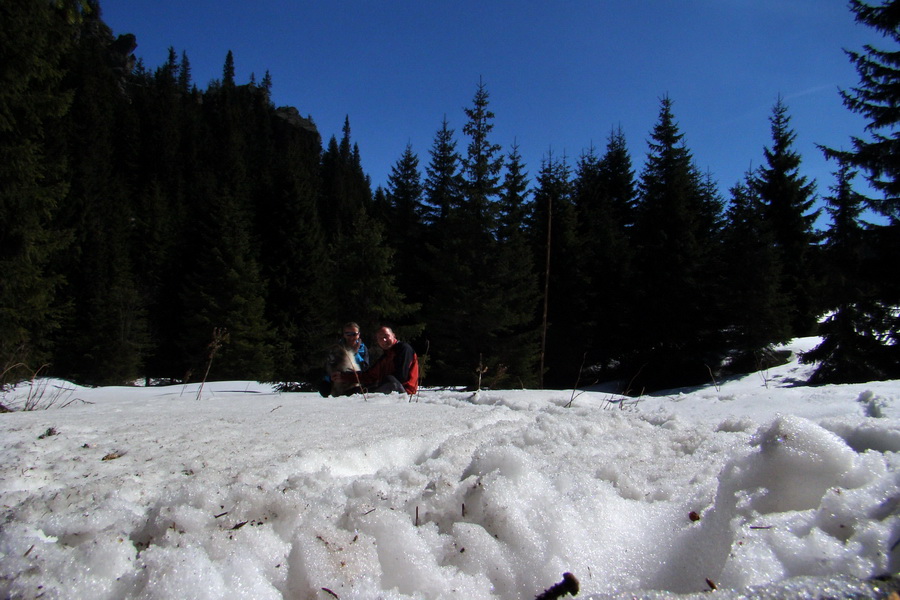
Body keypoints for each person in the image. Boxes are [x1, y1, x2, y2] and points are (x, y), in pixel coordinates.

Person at [336, 326, 418, 395]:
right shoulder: (385, 356)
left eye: (386, 336)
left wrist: (376, 384)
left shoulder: (403, 349)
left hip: (404, 391)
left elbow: (401, 377)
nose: (384, 340)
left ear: (393, 335)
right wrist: (343, 376)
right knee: (353, 392)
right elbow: (369, 375)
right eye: (380, 338)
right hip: (387, 387)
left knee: (389, 380)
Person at [318, 322, 369, 397]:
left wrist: (355, 354)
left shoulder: (363, 348)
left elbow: (365, 367)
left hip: (355, 381)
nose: (351, 337)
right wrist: (330, 378)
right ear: (344, 335)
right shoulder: (337, 348)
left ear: (358, 334)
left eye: (354, 334)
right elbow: (328, 366)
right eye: (348, 334)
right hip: (337, 381)